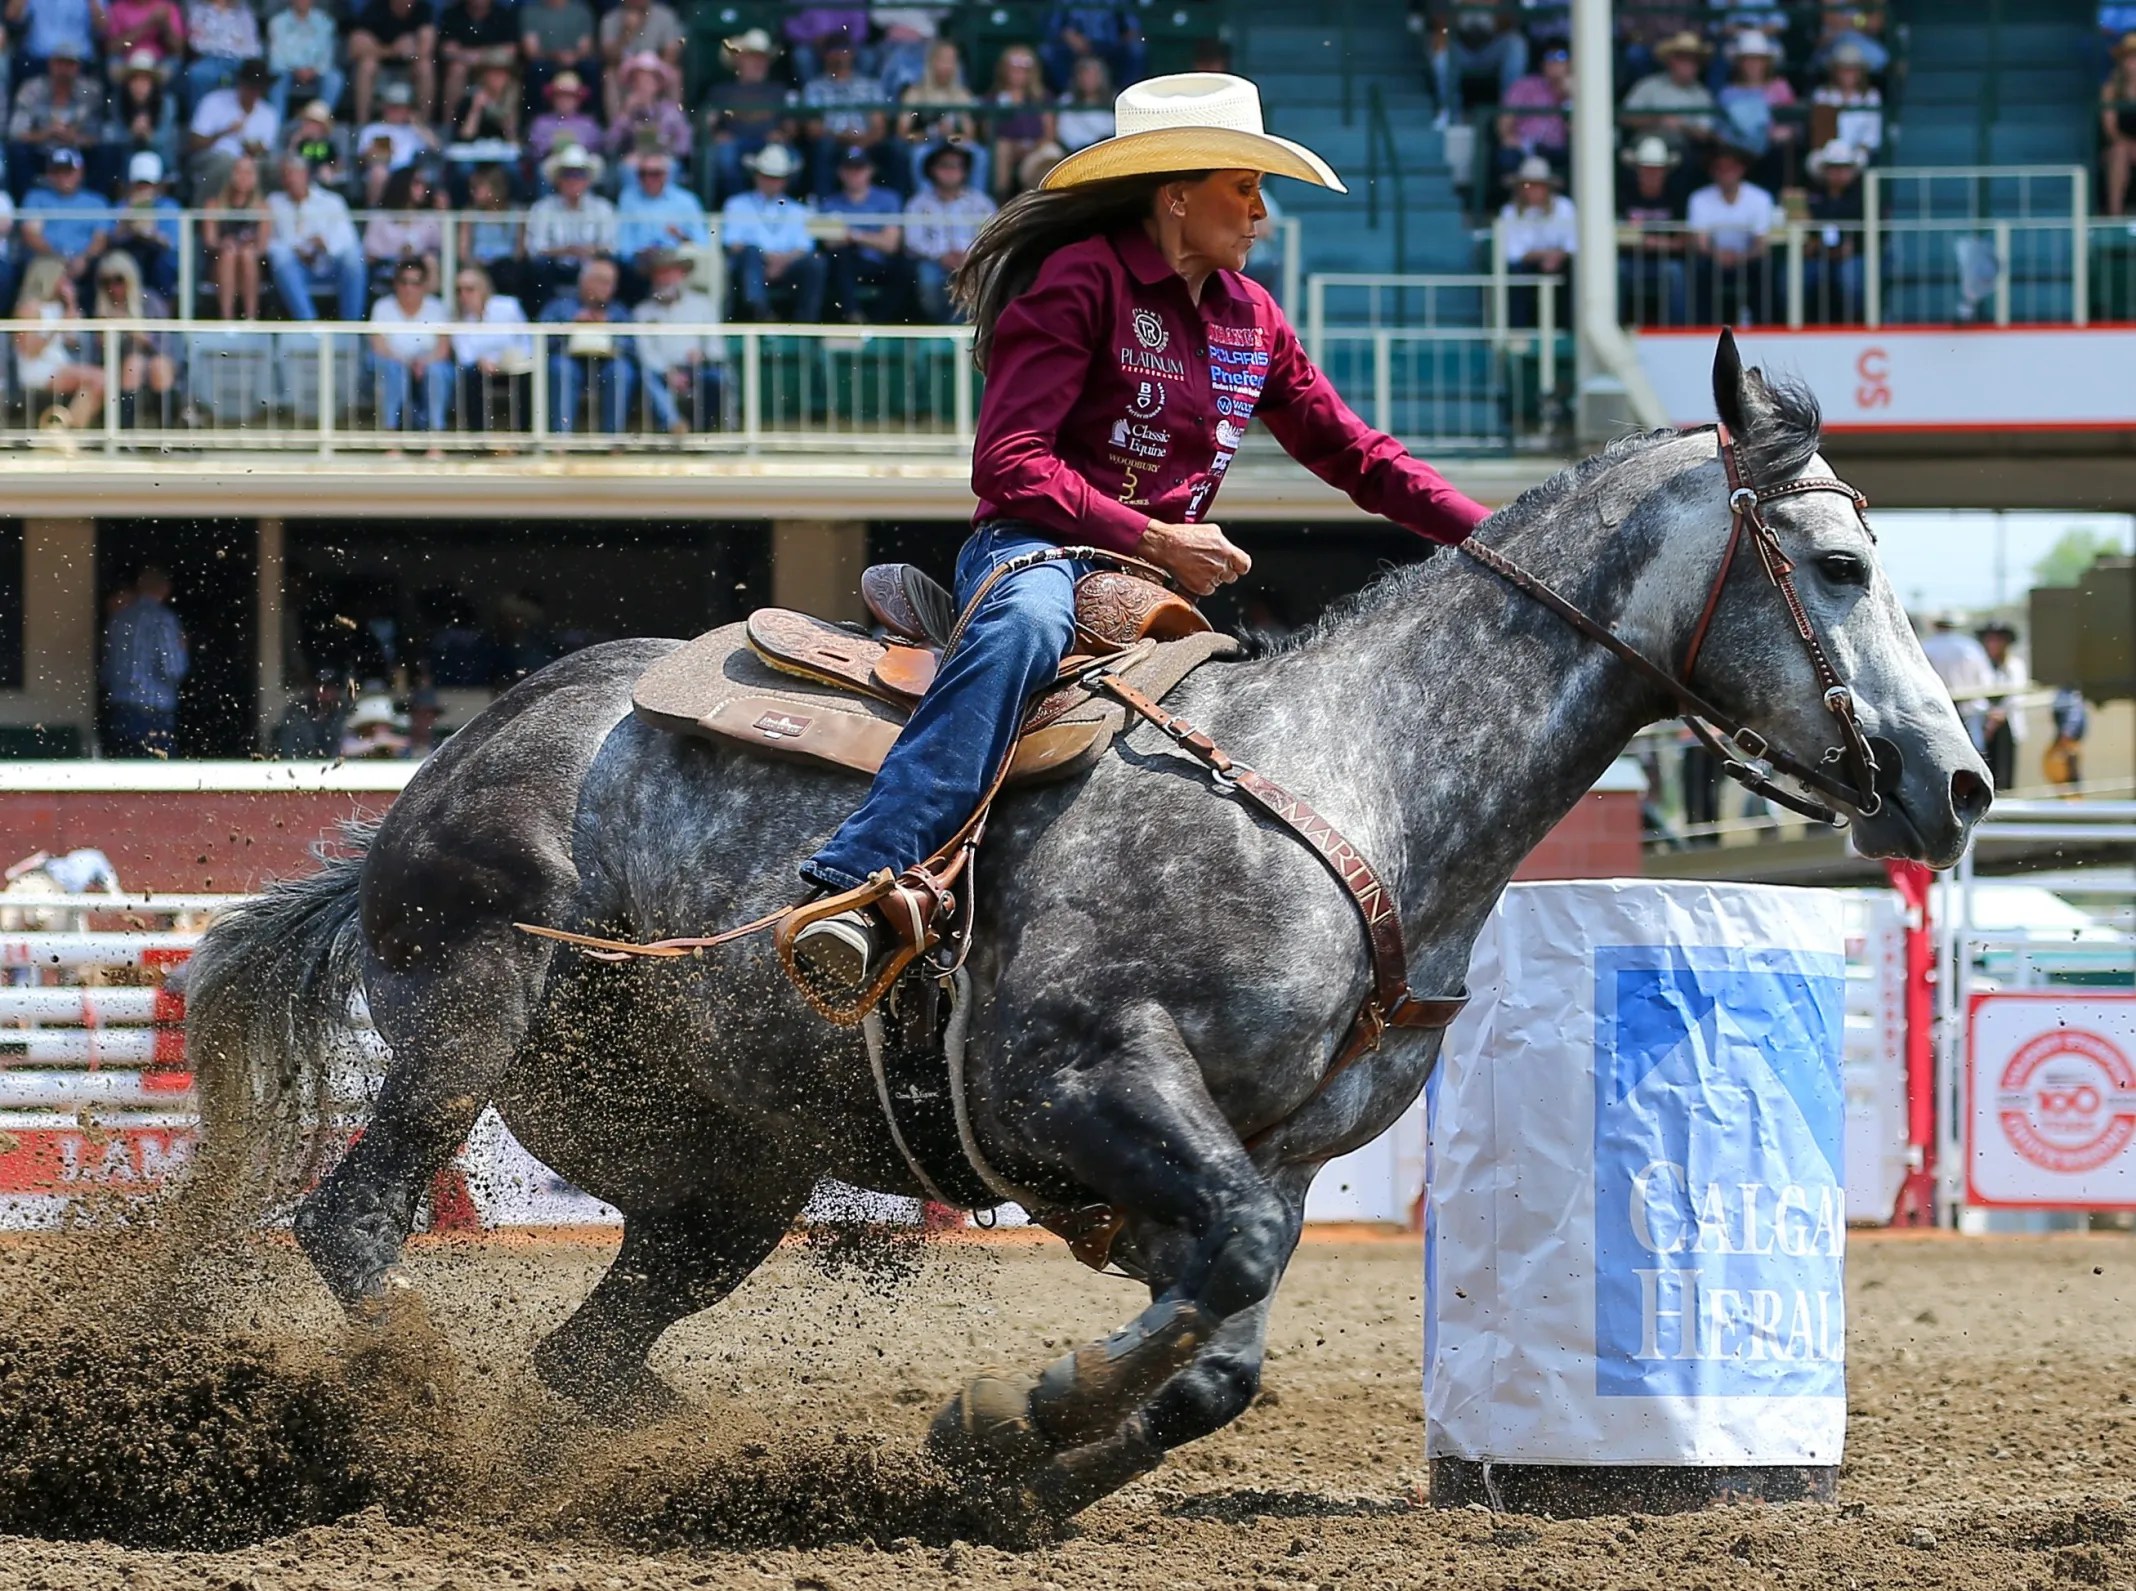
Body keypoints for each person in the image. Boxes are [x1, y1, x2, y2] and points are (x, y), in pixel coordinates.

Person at [787, 71, 1490, 990]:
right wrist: (1158, 539)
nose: (1261, 214)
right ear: (1177, 196)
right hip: (1034, 551)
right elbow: (1008, 463)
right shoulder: (1081, 280)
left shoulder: (1253, 318)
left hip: (1150, 589)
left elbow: (1358, 456)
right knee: (1026, 626)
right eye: (1245, 188)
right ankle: (863, 876)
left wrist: (1496, 536)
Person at [719, 141, 825, 321]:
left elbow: (804, 247)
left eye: (777, 177)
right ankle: (760, 313)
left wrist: (782, 261)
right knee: (750, 254)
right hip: (753, 266)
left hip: (788, 266)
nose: (771, 182)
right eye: (767, 176)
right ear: (756, 176)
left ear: (786, 180)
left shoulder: (798, 210)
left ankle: (805, 324)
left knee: (814, 264)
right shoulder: (737, 204)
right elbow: (732, 243)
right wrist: (767, 258)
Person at [631, 247, 723, 434]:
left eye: (670, 272)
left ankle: (700, 432)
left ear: (681, 274)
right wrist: (668, 372)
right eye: (659, 273)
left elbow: (716, 346)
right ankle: (674, 425)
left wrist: (702, 355)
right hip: (661, 371)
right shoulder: (642, 312)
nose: (665, 279)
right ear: (652, 277)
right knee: (648, 376)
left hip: (696, 368)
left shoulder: (703, 305)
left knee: (716, 378)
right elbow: (645, 352)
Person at [539, 254, 634, 433]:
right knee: (560, 368)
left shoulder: (619, 310)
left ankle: (613, 440)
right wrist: (570, 328)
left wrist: (609, 331)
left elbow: (632, 346)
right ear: (584, 281)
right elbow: (541, 341)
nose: (609, 288)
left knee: (621, 371)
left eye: (612, 282)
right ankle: (561, 439)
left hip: (607, 365)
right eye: (603, 281)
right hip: (569, 362)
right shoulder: (560, 305)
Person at [100, 564, 188, 756]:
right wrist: (183, 648)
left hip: (120, 709)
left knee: (124, 767)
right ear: (166, 588)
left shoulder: (118, 618)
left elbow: (106, 671)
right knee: (158, 770)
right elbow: (174, 669)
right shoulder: (164, 620)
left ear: (139, 586)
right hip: (154, 712)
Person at [12, 255, 106, 431]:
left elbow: (72, 340)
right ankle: (68, 431)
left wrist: (71, 303)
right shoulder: (30, 308)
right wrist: (58, 326)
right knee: (100, 378)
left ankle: (65, 428)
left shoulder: (57, 306)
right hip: (39, 369)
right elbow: (29, 350)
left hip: (59, 365)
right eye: (62, 276)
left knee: (96, 385)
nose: (65, 281)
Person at [266, 152, 366, 318]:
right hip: (296, 269)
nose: (289, 179)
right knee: (280, 256)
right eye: (284, 174)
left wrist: (325, 244)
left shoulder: (332, 201)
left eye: (292, 173)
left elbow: (349, 241)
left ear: (305, 174)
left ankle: (351, 327)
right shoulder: (274, 202)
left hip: (330, 266)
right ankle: (310, 327)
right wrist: (295, 249)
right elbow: (268, 242)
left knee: (354, 258)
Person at [1685, 142, 1775, 324]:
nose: (1726, 173)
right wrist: (1717, 255)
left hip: (1748, 259)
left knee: (1765, 269)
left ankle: (1762, 325)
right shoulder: (1699, 198)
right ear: (1713, 171)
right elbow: (1700, 242)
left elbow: (1761, 244)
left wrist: (1741, 257)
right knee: (1698, 269)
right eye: (1720, 168)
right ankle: (1703, 327)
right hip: (1713, 259)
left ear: (1741, 169)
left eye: (1731, 168)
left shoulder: (1760, 198)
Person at [818, 142, 909, 320]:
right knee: (839, 258)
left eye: (859, 168)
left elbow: (890, 244)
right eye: (849, 168)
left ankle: (879, 322)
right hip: (849, 263)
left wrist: (853, 235)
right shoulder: (830, 203)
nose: (854, 173)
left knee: (906, 268)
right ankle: (854, 316)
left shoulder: (889, 198)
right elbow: (829, 242)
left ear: (871, 170)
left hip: (880, 263)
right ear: (840, 172)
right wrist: (873, 238)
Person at [90, 242, 177, 426]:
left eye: (118, 280)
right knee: (133, 365)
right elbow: (98, 354)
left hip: (155, 359)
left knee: (158, 366)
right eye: (106, 282)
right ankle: (126, 432)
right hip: (118, 365)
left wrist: (130, 328)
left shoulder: (150, 301)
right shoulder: (102, 307)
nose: (113, 287)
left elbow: (162, 344)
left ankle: (166, 432)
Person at [369, 255, 450, 452]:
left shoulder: (437, 308)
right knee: (391, 369)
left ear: (424, 285)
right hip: (394, 363)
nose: (408, 288)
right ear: (395, 283)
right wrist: (404, 362)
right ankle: (391, 441)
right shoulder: (382, 307)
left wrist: (424, 362)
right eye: (404, 282)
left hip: (427, 364)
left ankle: (436, 441)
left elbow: (443, 348)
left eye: (415, 283)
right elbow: (378, 345)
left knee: (438, 371)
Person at [702, 28, 794, 201]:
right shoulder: (720, 91)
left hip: (769, 143)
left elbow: (791, 126)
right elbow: (708, 123)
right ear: (739, 60)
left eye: (763, 58)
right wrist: (717, 135)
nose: (759, 63)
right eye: (753, 57)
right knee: (724, 155)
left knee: (790, 157)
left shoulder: (778, 90)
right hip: (735, 143)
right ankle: (738, 203)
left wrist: (782, 134)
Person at [905, 139, 992, 322]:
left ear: (965, 171)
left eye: (956, 166)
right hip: (933, 261)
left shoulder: (981, 202)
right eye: (944, 166)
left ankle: (966, 327)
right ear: (932, 170)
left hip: (972, 261)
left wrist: (968, 255)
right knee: (926, 278)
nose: (950, 171)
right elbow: (912, 240)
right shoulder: (918, 203)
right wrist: (941, 255)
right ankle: (941, 326)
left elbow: (991, 235)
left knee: (985, 276)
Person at [9, 43, 109, 197]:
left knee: (106, 152)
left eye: (69, 64)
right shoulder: (31, 89)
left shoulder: (91, 91)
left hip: (79, 151)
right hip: (41, 151)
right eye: (60, 63)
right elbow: (16, 133)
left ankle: (97, 199)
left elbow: (100, 135)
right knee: (17, 151)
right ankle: (26, 200)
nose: (64, 70)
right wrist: (46, 133)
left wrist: (74, 138)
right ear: (50, 65)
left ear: (78, 67)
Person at [525, 140, 616, 306]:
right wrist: (566, 250)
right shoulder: (542, 208)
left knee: (611, 265)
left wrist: (589, 251)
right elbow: (535, 249)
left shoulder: (602, 207)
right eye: (567, 174)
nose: (573, 180)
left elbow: (610, 245)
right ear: (558, 179)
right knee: (539, 267)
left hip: (590, 265)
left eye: (579, 174)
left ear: (588, 180)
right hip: (555, 267)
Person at [449, 262, 533, 435]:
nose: (463, 295)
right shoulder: (458, 319)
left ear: (483, 289)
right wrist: (483, 362)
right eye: (459, 290)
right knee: (469, 375)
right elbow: (464, 355)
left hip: (513, 364)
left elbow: (525, 341)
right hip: (481, 368)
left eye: (469, 289)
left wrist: (503, 361)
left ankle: (523, 435)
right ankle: (478, 436)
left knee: (528, 375)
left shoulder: (508, 306)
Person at [1496, 154, 1573, 329]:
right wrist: (1545, 256)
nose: (1532, 190)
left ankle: (1568, 328)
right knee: (1514, 273)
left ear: (1548, 188)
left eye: (1538, 185)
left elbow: (1573, 244)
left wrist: (1557, 257)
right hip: (1526, 266)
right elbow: (1512, 253)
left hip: (1561, 263)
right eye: (1527, 185)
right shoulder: (1509, 212)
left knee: (1576, 271)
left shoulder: (1565, 208)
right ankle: (1517, 332)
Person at [184, 54, 276, 199]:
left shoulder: (268, 113)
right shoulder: (214, 100)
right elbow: (194, 143)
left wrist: (253, 150)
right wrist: (225, 132)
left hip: (249, 162)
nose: (254, 92)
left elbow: (265, 149)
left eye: (259, 88)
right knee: (224, 161)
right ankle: (203, 209)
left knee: (270, 166)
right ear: (241, 84)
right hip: (212, 157)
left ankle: (260, 210)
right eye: (251, 87)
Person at [20, 148, 112, 291]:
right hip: (48, 260)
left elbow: (100, 238)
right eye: (56, 171)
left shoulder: (97, 202)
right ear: (48, 174)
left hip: (87, 263)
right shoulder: (36, 198)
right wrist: (58, 258)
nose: (62, 176)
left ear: (80, 172)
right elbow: (31, 235)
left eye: (67, 171)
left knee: (109, 268)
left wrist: (84, 258)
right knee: (41, 267)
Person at [614, 147, 707, 289]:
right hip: (640, 264)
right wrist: (637, 253)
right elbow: (624, 243)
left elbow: (702, 243)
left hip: (676, 261)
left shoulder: (687, 201)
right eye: (642, 173)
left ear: (666, 174)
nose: (648, 179)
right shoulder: (628, 198)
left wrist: (681, 236)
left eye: (655, 174)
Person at [1617, 134, 1686, 325]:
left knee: (1676, 273)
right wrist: (1660, 243)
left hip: (1665, 262)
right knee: (1615, 271)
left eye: (1656, 169)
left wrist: (1647, 241)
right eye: (1646, 169)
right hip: (1630, 261)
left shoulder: (1676, 196)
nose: (1651, 174)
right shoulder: (1624, 196)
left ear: (1665, 171)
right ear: (1637, 170)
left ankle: (1677, 330)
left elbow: (1683, 241)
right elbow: (1617, 237)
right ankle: (1614, 326)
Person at [1716, 30, 1798, 188]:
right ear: (1739, 63)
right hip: (1738, 153)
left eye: (1758, 59)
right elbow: (1721, 128)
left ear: (1766, 62)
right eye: (1747, 59)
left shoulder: (1780, 87)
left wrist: (1785, 131)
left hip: (1774, 153)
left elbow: (1793, 122)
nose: (1753, 64)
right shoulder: (1728, 94)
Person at [1621, 31, 1716, 163]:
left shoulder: (1702, 95)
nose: (1688, 64)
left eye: (1693, 60)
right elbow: (1625, 117)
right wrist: (1658, 120)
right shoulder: (1648, 85)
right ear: (1671, 61)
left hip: (1683, 152)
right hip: (1644, 147)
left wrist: (1682, 126)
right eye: (1682, 58)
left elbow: (1704, 134)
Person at [1429, 2, 1528, 127]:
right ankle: (1450, 113)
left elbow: (1511, 22)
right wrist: (1461, 10)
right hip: (1460, 50)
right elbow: (1440, 24)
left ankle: (1510, 112)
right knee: (1441, 54)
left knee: (1516, 43)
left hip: (1491, 49)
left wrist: (1491, 10)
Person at [603, 49, 690, 181]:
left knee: (670, 167)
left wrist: (665, 149)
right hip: (634, 163)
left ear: (658, 85)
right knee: (627, 168)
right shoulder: (626, 111)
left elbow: (685, 142)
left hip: (664, 160)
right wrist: (626, 112)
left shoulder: (670, 110)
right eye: (638, 80)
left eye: (648, 80)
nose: (643, 85)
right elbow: (610, 144)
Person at [199, 149, 266, 317]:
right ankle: (227, 318)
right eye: (239, 171)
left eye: (248, 172)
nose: (243, 177)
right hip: (221, 264)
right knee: (229, 254)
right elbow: (210, 241)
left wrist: (250, 244)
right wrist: (223, 243)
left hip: (250, 264)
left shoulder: (263, 208)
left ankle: (251, 318)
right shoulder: (214, 205)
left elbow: (263, 246)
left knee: (247, 254)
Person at [986, 43, 1059, 200]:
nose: (1018, 74)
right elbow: (988, 132)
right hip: (1007, 149)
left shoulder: (1042, 97)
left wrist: (1031, 147)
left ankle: (1046, 199)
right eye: (1014, 68)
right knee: (1001, 148)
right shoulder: (994, 98)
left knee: (1051, 150)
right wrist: (1014, 147)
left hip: (1036, 148)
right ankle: (1001, 198)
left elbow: (1049, 133)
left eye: (1024, 69)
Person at [1803, 138, 1864, 323]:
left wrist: (1854, 247)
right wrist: (1812, 245)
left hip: (1853, 256)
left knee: (1849, 278)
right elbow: (1805, 230)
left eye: (1844, 168)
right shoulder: (1812, 197)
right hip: (1817, 255)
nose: (1838, 173)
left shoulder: (1863, 197)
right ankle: (1800, 324)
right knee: (1795, 278)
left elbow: (1873, 234)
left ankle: (1855, 323)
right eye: (1833, 168)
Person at [347, 0, 436, 125]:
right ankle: (362, 124)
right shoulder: (375, 9)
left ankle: (424, 124)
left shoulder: (423, 9)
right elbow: (355, 48)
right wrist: (393, 50)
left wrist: (413, 50)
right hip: (381, 68)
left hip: (409, 68)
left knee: (425, 66)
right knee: (367, 65)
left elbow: (427, 48)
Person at [1919, 611, 1994, 753]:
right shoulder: (1971, 647)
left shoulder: (1926, 648)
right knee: (1974, 749)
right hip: (1971, 707)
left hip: (1938, 709)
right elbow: (1985, 679)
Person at [110, 148, 181, 297]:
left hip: (158, 258)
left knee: (163, 264)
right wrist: (127, 222)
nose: (143, 189)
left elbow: (174, 244)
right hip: (129, 253)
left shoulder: (169, 206)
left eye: (148, 184)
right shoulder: (121, 206)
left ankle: (163, 307)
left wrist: (151, 232)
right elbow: (111, 239)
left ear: (158, 185)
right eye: (139, 184)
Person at [363, 162, 444, 290]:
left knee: (430, 262)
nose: (422, 188)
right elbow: (371, 254)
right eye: (417, 183)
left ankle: (428, 301)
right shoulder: (380, 218)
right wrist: (398, 253)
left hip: (420, 272)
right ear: (403, 184)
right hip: (388, 271)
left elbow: (439, 248)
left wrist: (416, 254)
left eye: (424, 184)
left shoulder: (429, 218)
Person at [596, 0, 682, 120]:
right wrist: (626, 33)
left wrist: (649, 73)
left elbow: (671, 54)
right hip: (625, 73)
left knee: (675, 74)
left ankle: (674, 122)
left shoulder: (665, 16)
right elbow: (609, 58)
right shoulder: (610, 19)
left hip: (655, 70)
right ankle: (617, 123)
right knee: (609, 74)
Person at [436, 0, 515, 124]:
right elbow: (446, 49)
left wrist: (477, 55)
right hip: (462, 65)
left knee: (499, 72)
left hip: (490, 66)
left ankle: (506, 129)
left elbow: (510, 50)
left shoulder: (503, 14)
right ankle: (449, 125)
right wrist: (479, 55)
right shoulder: (452, 13)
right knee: (457, 69)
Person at [1495, 44, 1569, 176]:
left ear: (1570, 63)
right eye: (1549, 58)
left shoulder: (1578, 90)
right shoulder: (1525, 85)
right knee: (1507, 158)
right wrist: (1510, 139)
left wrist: (1569, 94)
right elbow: (1505, 123)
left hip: (1557, 150)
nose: (1554, 63)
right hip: (1524, 147)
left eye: (1560, 58)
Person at [265, 0, 341, 122]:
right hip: (287, 70)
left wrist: (313, 70)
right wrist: (296, 69)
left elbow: (326, 56)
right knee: (276, 76)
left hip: (316, 71)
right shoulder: (277, 22)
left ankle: (320, 120)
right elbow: (277, 57)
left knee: (334, 78)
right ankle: (276, 124)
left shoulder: (325, 22)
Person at [518, 0, 598, 113]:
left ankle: (590, 117)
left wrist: (573, 56)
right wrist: (556, 55)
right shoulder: (531, 12)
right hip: (546, 61)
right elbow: (531, 51)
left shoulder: (581, 11)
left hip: (575, 60)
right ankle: (539, 118)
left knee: (591, 68)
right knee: (537, 69)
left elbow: (585, 47)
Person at [1976, 621, 2028, 793]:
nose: (1993, 644)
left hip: (2006, 723)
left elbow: (2017, 695)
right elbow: (1976, 691)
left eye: (1998, 640)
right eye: (1990, 639)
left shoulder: (2015, 665)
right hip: (1984, 724)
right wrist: (1988, 715)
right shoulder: (1981, 664)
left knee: (2005, 773)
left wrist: (1999, 715)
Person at [1809, 41, 1882, 163]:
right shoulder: (1822, 95)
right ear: (1835, 71)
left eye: (1853, 70)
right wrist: (1835, 153)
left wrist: (1856, 153)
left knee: (1859, 160)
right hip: (1828, 152)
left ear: (1860, 72)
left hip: (1859, 153)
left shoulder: (1871, 96)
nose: (1848, 74)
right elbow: (1820, 132)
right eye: (1843, 69)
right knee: (1815, 161)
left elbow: (1872, 135)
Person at [181, 0, 261, 107]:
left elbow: (253, 48)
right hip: (210, 59)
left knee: (252, 76)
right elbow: (196, 43)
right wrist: (232, 44)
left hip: (238, 61)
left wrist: (216, 42)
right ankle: (200, 114)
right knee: (196, 74)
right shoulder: (200, 11)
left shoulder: (243, 13)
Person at [355, 79, 439, 175]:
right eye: (392, 106)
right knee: (379, 171)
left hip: (407, 173)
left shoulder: (414, 130)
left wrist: (417, 123)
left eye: (401, 107)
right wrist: (371, 153)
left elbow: (436, 147)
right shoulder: (371, 129)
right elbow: (360, 161)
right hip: (381, 172)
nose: (396, 111)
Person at [113, 49, 176, 173]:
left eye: (144, 80)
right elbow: (114, 135)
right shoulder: (118, 102)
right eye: (135, 80)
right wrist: (132, 134)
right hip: (127, 158)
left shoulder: (167, 102)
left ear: (153, 84)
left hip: (160, 159)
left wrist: (148, 136)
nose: (139, 85)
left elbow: (167, 137)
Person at [527, 70, 602, 166]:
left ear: (578, 99)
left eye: (570, 96)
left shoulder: (588, 122)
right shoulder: (541, 122)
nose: (564, 101)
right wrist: (553, 146)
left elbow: (598, 147)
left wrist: (575, 146)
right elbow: (535, 151)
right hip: (551, 166)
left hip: (582, 167)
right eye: (560, 96)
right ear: (553, 98)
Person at [271, 666, 349, 758]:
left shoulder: (347, 712)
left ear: (337, 690)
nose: (324, 692)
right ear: (312, 688)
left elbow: (353, 748)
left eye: (329, 688)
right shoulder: (297, 712)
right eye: (319, 686)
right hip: (303, 765)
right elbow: (287, 747)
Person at [279, 97, 350, 188]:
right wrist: (296, 140)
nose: (311, 126)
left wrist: (331, 169)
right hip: (301, 177)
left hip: (324, 182)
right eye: (309, 121)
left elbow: (339, 164)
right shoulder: (297, 138)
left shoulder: (330, 142)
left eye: (315, 122)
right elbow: (288, 160)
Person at [2102, 33, 2136, 217]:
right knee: (2119, 152)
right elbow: (2110, 127)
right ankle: (2115, 214)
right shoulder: (2111, 89)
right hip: (2118, 145)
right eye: (2130, 57)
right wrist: (2128, 144)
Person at [1054, 53, 1113, 153]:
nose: (1088, 79)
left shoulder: (1112, 101)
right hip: (1073, 152)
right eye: (1085, 75)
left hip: (1105, 151)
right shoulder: (1066, 101)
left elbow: (1112, 130)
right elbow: (1064, 132)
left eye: (1093, 75)